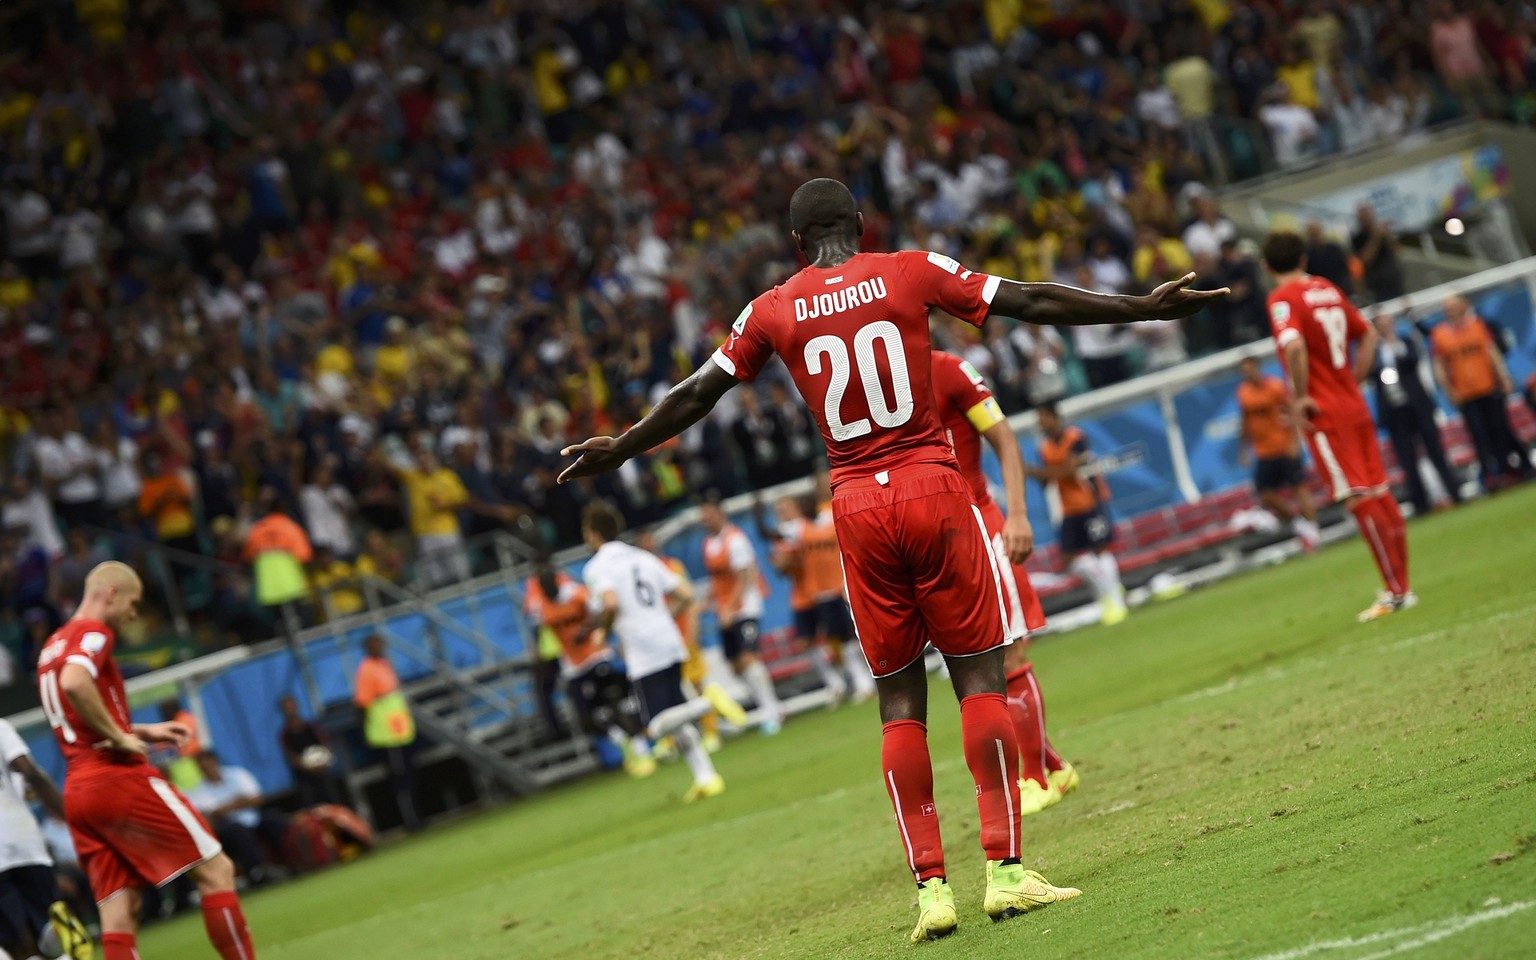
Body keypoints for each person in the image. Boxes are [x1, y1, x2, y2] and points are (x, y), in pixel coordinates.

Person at [557, 178, 1222, 941]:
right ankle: (1006, 875)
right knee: (980, 679)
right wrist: (1142, 307)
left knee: (899, 702)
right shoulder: (910, 269)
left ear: (796, 242)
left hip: (856, 507)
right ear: (861, 224)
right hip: (932, 487)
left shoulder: (771, 307)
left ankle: (932, 893)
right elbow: (1031, 299)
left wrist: (624, 447)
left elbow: (699, 391)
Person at [34, 561, 258, 960]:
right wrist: (120, 736)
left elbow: (72, 717)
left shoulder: (53, 644)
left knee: (120, 913)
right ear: (111, 594)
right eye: (133, 603)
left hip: (79, 792)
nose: (134, 614)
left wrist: (140, 730)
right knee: (217, 870)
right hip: (117, 780)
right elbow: (75, 682)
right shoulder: (93, 632)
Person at [930, 349, 1075, 814]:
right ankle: (1053, 766)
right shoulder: (875, 384)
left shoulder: (949, 370)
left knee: (1009, 656)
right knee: (978, 669)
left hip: (982, 528)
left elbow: (1005, 440)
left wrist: (1017, 515)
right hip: (939, 543)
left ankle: (1035, 778)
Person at [1263, 230, 1413, 622]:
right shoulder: (1327, 289)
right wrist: (1354, 381)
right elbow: (1368, 335)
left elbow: (1294, 346)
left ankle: (1394, 592)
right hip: (1352, 403)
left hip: (1324, 412)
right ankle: (1403, 586)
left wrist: (1300, 397)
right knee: (1379, 491)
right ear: (1303, 259)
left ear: (1267, 267)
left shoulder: (1282, 299)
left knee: (1358, 497)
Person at [580, 501, 725, 802]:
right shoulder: (641, 556)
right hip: (669, 640)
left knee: (656, 726)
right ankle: (707, 777)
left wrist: (603, 632)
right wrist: (662, 618)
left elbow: (610, 603)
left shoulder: (596, 567)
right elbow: (686, 593)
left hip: (644, 651)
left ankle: (705, 703)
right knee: (676, 718)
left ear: (593, 533)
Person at [634, 529, 746, 754]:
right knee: (670, 691)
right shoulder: (641, 574)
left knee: (695, 683)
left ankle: (711, 732)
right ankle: (672, 740)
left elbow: (688, 598)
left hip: (680, 635)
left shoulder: (670, 566)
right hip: (661, 642)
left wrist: (692, 631)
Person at [0, 717, 92, 960]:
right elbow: (29, 770)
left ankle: (48, 941)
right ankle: (53, 934)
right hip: (25, 840)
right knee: (44, 922)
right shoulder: (1, 727)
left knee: (18, 944)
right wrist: (72, 820)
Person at [1028, 404, 1128, 625]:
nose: (1040, 423)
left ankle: (1115, 600)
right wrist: (1039, 474)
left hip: (1090, 501)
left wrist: (1035, 471)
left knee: (1100, 550)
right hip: (1068, 508)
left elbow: (1070, 469)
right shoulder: (1044, 448)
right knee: (1069, 560)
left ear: (1054, 417)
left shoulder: (1075, 437)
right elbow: (1047, 481)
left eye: (1043, 418)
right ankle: (1106, 595)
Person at [699, 498, 785, 735]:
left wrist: (731, 607)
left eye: (707, 514)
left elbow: (745, 575)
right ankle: (770, 706)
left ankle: (772, 711)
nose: (704, 520)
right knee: (736, 666)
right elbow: (717, 579)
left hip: (746, 608)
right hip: (725, 610)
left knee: (749, 658)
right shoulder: (709, 544)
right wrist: (708, 601)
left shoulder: (735, 539)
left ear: (719, 513)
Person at [1430, 296, 1533, 490]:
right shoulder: (1440, 334)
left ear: (1463, 307)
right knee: (1479, 436)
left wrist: (1503, 377)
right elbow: (1440, 366)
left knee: (1501, 429)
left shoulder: (1477, 325)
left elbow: (1491, 352)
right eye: (1447, 308)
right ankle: (1491, 476)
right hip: (1465, 392)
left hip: (1488, 386)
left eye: (1454, 306)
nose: (1451, 311)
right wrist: (1449, 391)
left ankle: (1514, 468)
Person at [1370, 316, 1463, 514]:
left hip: (1418, 407)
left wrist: (1394, 346)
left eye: (1387, 324)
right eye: (1381, 325)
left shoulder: (1404, 343)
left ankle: (1454, 492)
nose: (1385, 328)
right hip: (1395, 413)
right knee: (1407, 460)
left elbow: (1413, 360)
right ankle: (1420, 503)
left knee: (1436, 452)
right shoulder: (1374, 352)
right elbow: (1371, 373)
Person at [1236, 357, 1322, 548]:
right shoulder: (1243, 393)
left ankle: (1313, 530)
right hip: (1263, 451)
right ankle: (1300, 524)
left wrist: (1295, 442)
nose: (1247, 373)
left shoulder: (1275, 387)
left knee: (1299, 488)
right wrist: (1243, 449)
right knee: (1266, 494)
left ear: (1258, 367)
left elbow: (1293, 411)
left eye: (1249, 369)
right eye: (1244, 371)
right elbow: (1245, 421)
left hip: (1284, 446)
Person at [186, 751, 292, 886]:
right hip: (230, 827)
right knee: (237, 832)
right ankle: (257, 871)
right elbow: (212, 816)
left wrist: (227, 808)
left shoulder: (237, 774)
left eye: (209, 763)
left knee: (274, 819)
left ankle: (291, 860)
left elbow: (256, 799)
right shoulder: (199, 791)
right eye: (203, 766)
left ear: (216, 762)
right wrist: (239, 802)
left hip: (254, 818)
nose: (207, 768)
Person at [353, 634, 421, 831]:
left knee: (409, 773)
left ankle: (417, 815)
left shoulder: (384, 663)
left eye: (381, 643)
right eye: (376, 644)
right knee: (399, 777)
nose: (380, 647)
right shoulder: (366, 670)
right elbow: (362, 703)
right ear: (368, 648)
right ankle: (410, 820)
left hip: (400, 730)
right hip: (386, 734)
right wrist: (367, 731)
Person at [278, 695, 340, 808]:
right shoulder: (285, 734)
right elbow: (291, 757)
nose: (290, 710)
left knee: (333, 804)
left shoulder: (311, 727)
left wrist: (323, 762)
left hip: (322, 773)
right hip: (305, 779)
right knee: (313, 808)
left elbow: (325, 744)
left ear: (296, 706)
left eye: (291, 706)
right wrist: (309, 767)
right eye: (286, 708)